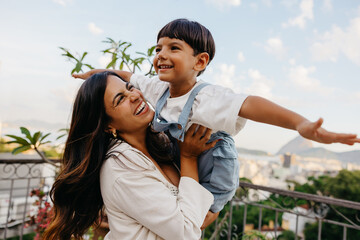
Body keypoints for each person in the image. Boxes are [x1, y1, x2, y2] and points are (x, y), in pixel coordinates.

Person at [74, 18, 360, 217]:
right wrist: (96, 74)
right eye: (158, 48)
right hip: (188, 159)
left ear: (199, 62)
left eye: (174, 48)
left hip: (215, 167)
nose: (161, 54)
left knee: (198, 220)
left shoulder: (208, 98)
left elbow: (250, 104)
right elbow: (126, 76)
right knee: (182, 209)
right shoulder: (157, 87)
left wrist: (300, 124)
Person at [43, 71, 218, 240]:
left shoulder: (162, 143)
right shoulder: (121, 169)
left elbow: (196, 219)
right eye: (120, 99)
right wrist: (189, 157)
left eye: (130, 87)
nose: (134, 96)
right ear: (107, 126)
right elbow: (187, 232)